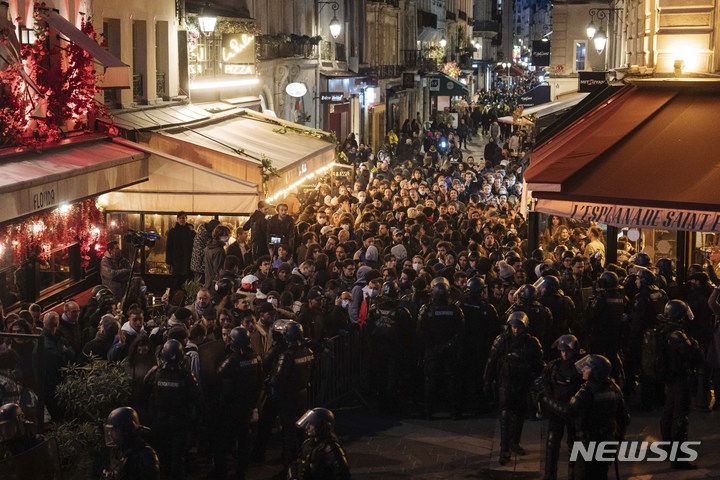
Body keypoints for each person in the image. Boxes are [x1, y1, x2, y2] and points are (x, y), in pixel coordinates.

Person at [544, 354, 629, 480]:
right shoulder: (614, 388)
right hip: (606, 443)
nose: (583, 370)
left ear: (595, 372)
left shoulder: (587, 391)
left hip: (587, 444)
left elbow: (568, 412)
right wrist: (618, 437)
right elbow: (624, 418)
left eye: (587, 368)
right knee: (601, 475)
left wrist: (546, 399)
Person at [484, 311, 544, 465]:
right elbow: (491, 361)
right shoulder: (502, 340)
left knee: (520, 414)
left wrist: (538, 384)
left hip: (523, 383)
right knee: (505, 414)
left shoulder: (532, 343)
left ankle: (514, 442)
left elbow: (539, 365)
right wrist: (487, 380)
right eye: (513, 327)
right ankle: (504, 448)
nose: (516, 330)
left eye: (519, 327)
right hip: (506, 382)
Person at [142, 339, 201, 480]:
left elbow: (143, 393)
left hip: (159, 422)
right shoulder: (187, 376)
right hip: (180, 423)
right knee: (177, 459)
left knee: (161, 457)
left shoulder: (155, 373)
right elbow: (197, 399)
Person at [657, 300, 704, 469]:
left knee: (668, 414)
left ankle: (668, 449)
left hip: (669, 379)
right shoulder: (677, 335)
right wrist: (695, 345)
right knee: (680, 418)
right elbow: (695, 356)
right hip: (679, 378)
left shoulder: (663, 329)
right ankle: (679, 458)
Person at [210, 327, 262, 480]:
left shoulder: (232, 361)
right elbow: (259, 382)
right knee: (244, 439)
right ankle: (242, 470)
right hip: (247, 405)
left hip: (231, 407)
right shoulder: (256, 358)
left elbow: (217, 376)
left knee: (222, 439)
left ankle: (222, 470)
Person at [268, 321, 315, 471]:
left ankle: (290, 464)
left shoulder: (287, 356)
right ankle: (303, 458)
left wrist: (268, 381)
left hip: (288, 397)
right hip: (302, 394)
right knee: (301, 428)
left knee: (288, 431)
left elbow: (278, 379)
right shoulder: (308, 351)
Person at [416, 277, 465, 419]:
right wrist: (448, 345)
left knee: (431, 380)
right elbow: (460, 331)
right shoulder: (455, 309)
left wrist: (433, 346)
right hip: (449, 350)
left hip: (433, 350)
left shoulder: (427, 309)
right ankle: (455, 411)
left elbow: (420, 331)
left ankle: (428, 411)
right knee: (451, 380)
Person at [366, 280, 414, 412]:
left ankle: (380, 404)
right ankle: (390, 405)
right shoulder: (401, 312)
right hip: (394, 349)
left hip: (377, 348)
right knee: (392, 377)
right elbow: (408, 333)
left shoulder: (374, 309)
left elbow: (367, 329)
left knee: (379, 376)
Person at [540, 335, 583, 480]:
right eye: (562, 350)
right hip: (556, 410)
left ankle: (573, 474)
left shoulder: (581, 366)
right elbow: (544, 383)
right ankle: (549, 475)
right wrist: (546, 399)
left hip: (573, 410)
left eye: (567, 351)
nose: (564, 353)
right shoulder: (553, 365)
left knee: (575, 444)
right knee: (552, 444)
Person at [288, 408, 351, 480]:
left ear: (321, 426)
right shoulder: (307, 443)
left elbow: (343, 475)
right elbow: (296, 463)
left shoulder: (331, 448)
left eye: (311, 423)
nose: (307, 426)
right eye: (307, 422)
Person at [33, 311, 74, 419]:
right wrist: (66, 352)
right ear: (57, 324)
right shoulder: (50, 344)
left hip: (46, 385)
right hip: (52, 386)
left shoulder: (47, 340)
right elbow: (61, 362)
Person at [103, 406, 160, 480]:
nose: (109, 434)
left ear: (126, 430)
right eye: (110, 430)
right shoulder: (119, 451)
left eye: (114, 430)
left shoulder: (146, 455)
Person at [166, 211, 195, 281]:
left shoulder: (190, 231)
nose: (182, 220)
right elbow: (168, 247)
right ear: (177, 219)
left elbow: (195, 244)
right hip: (176, 261)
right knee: (177, 281)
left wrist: (192, 231)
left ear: (186, 219)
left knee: (188, 281)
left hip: (188, 260)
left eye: (184, 218)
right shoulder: (172, 232)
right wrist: (168, 262)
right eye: (180, 218)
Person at [204, 224, 231, 288]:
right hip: (215, 283)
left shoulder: (209, 247)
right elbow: (218, 269)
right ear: (220, 236)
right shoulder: (219, 250)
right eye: (227, 235)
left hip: (208, 281)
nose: (229, 236)